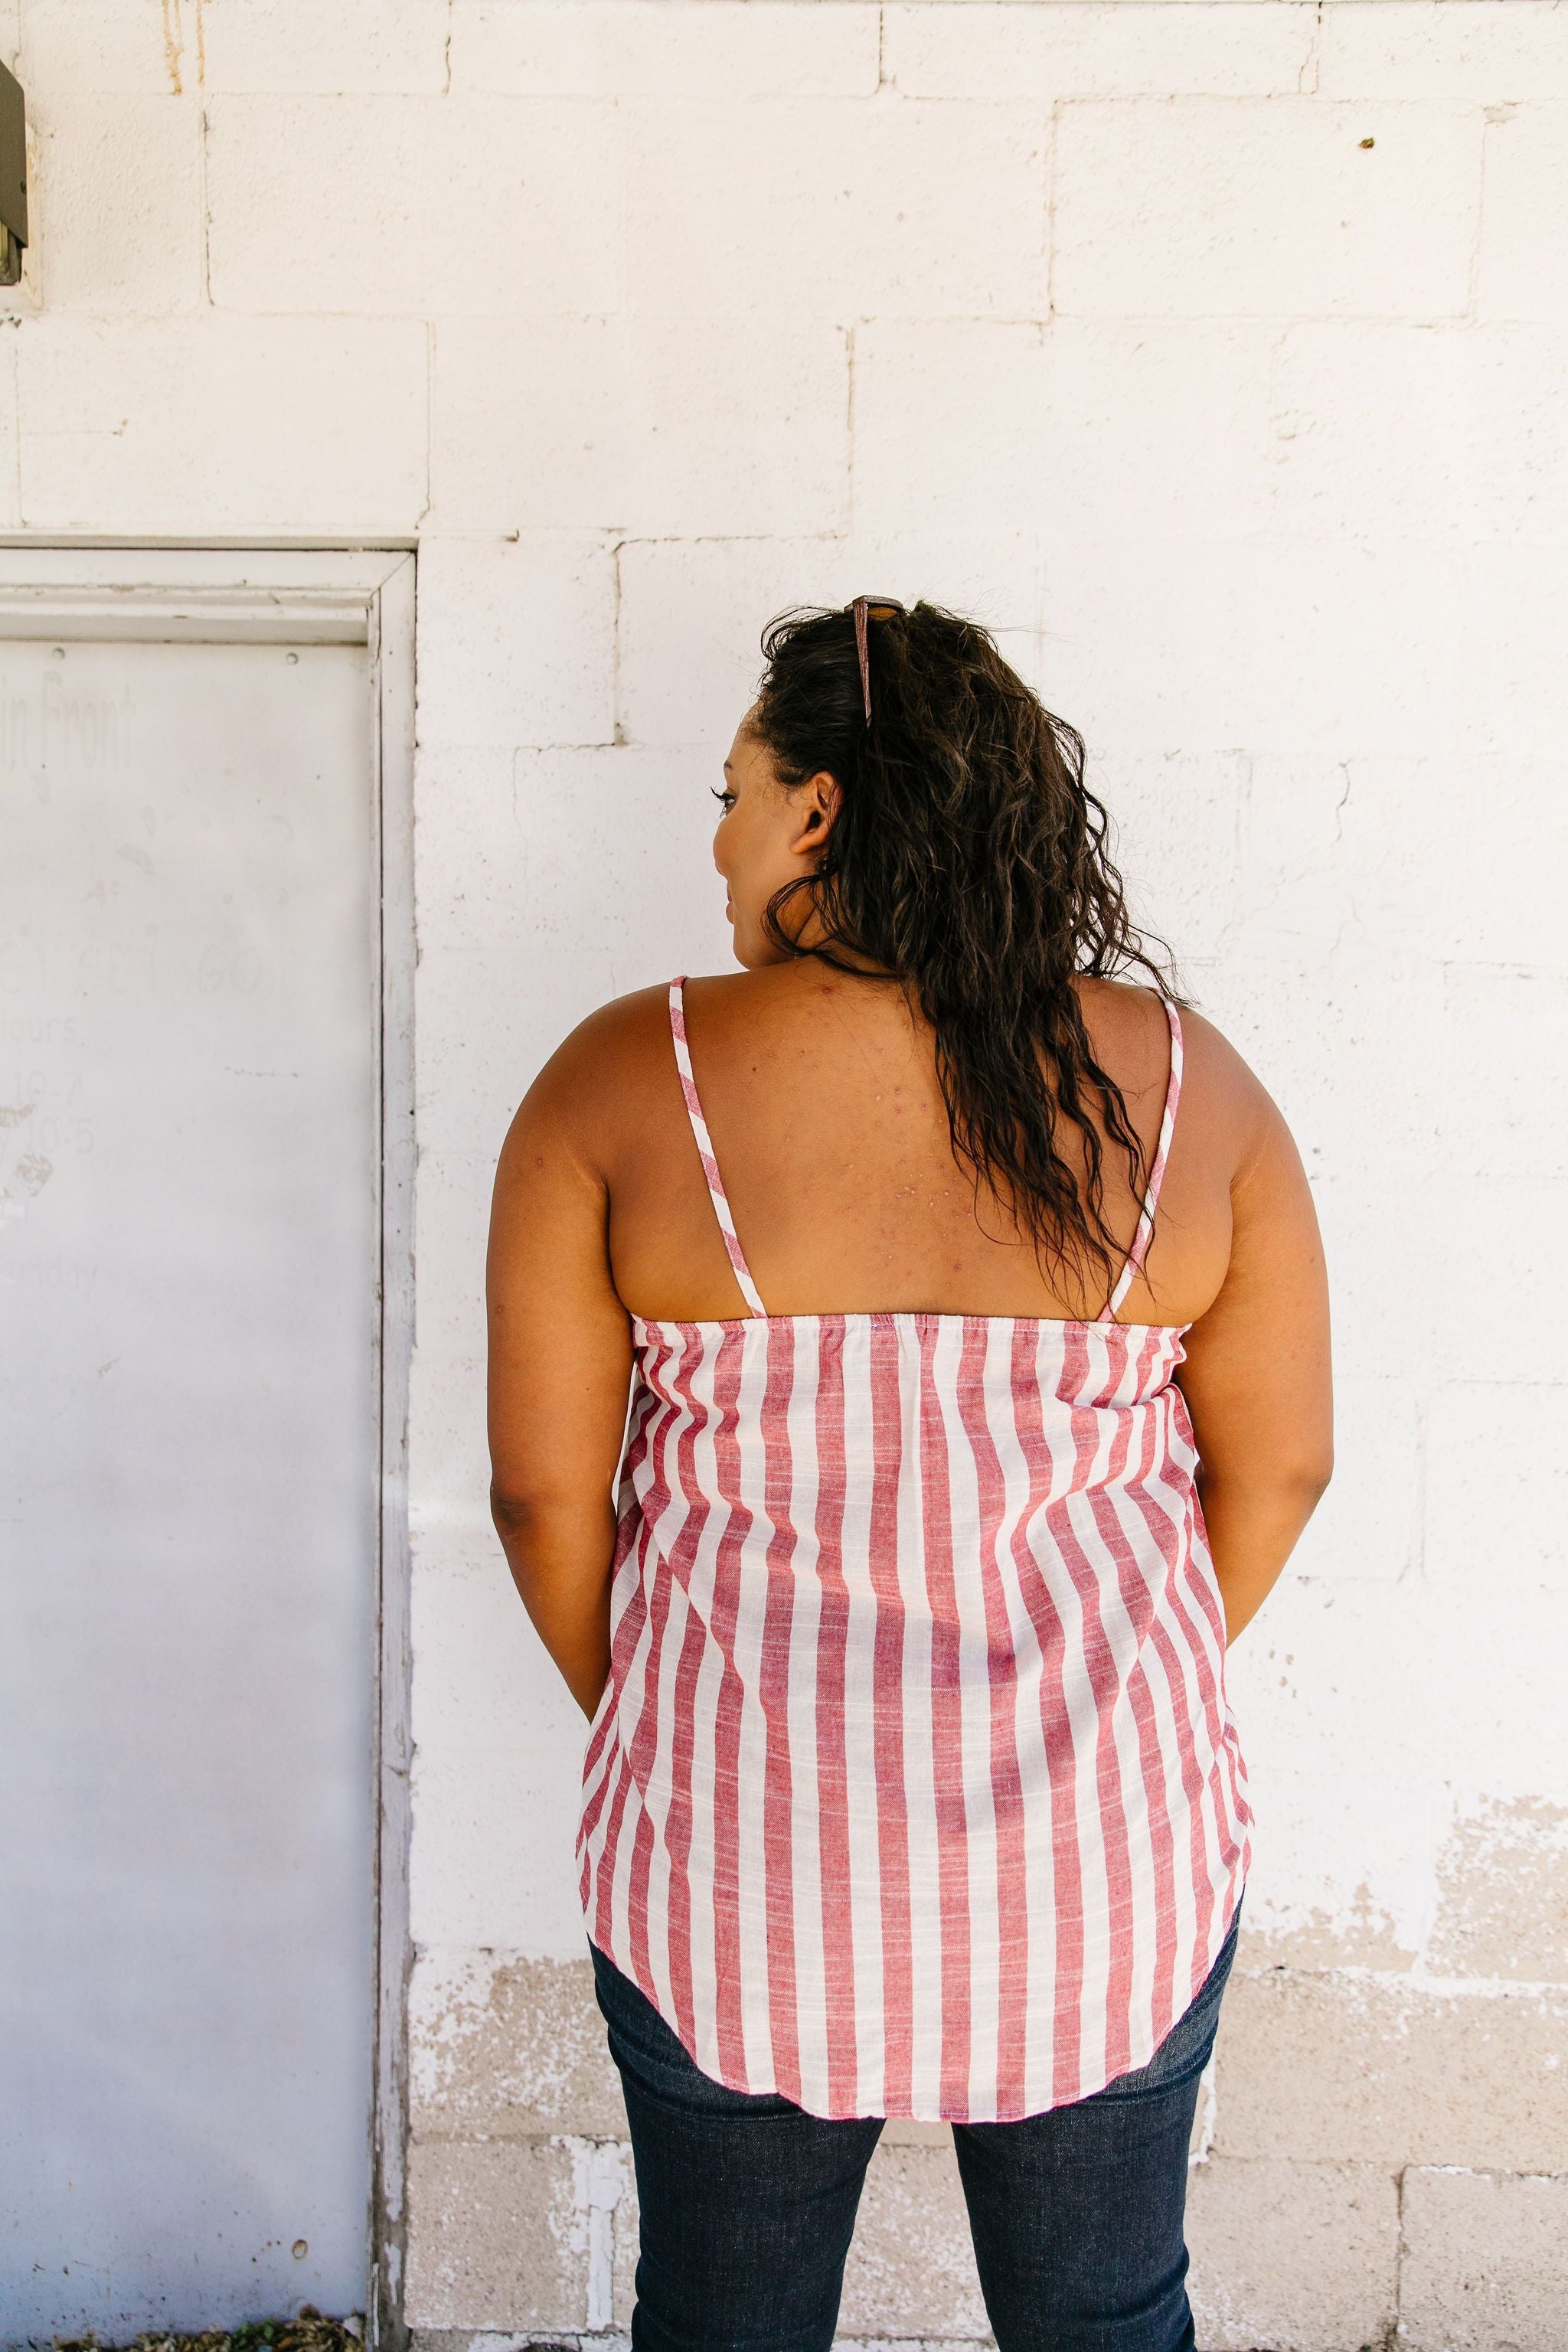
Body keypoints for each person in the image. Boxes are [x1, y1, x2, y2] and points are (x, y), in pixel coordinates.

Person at [486, 599, 1332, 2352]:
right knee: (1105, 2316)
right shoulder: (1187, 1089)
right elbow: (1286, 1467)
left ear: (812, 812)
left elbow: (545, 1503)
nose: (717, 843)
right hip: (1106, 1859)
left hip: (740, 1855)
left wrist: (665, 1715)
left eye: (730, 794)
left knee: (723, 2323)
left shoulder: (623, 1078)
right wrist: (1121, 1692)